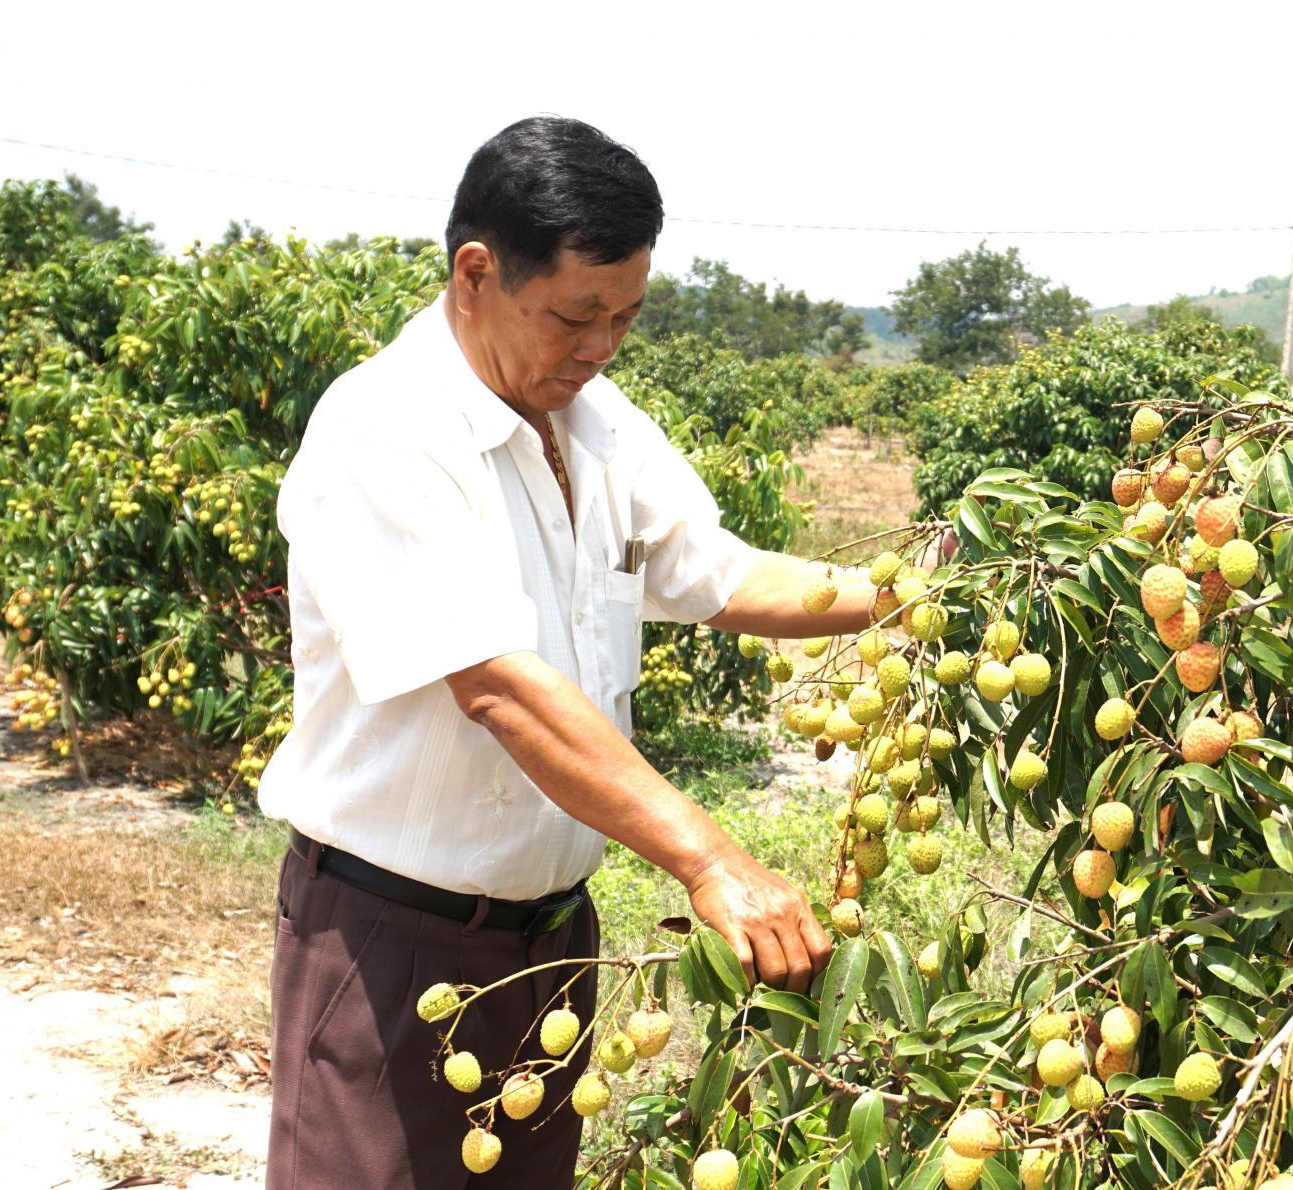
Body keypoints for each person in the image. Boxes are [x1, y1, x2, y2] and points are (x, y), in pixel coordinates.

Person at [258, 116, 873, 1189]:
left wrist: (936, 594)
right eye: (575, 316)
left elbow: (723, 574)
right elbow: (499, 687)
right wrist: (714, 859)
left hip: (548, 947)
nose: (598, 347)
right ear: (477, 272)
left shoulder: (595, 419)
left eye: (624, 319)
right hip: (387, 946)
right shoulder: (385, 427)